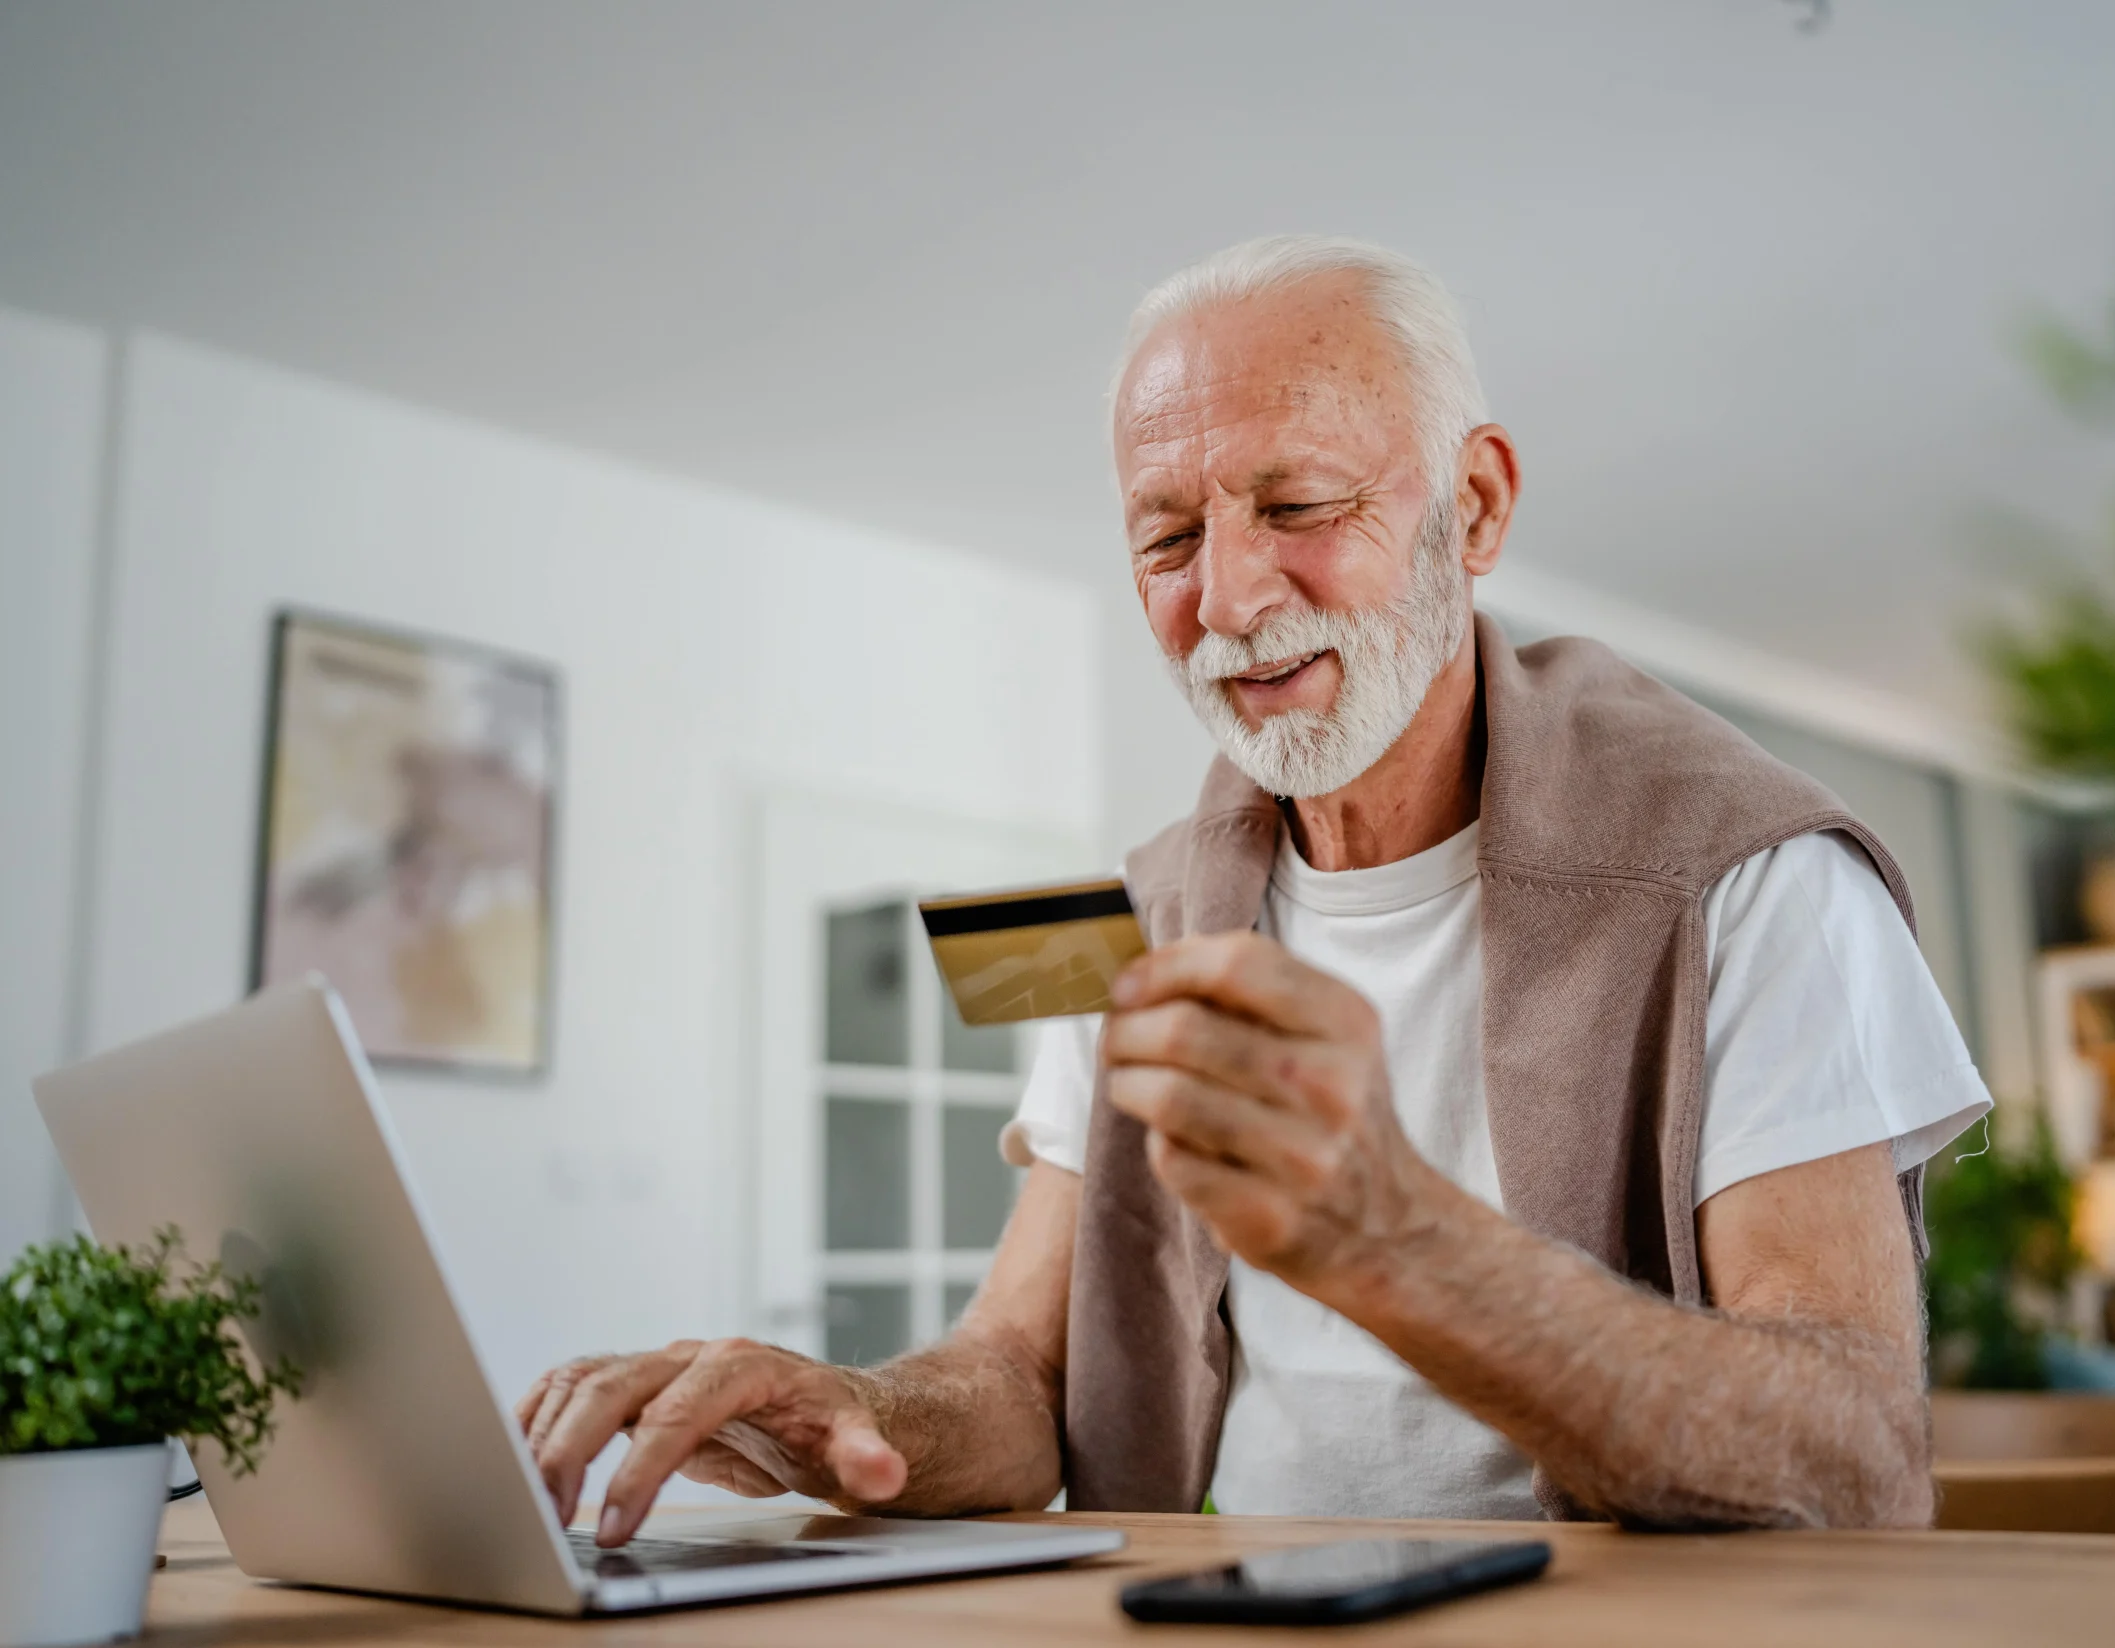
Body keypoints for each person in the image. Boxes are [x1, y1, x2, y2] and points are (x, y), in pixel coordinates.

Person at [520, 237, 1989, 1545]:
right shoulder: (1122, 913)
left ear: (1471, 509)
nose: (1226, 597)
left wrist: (1397, 1234)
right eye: (1167, 535)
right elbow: (1025, 1372)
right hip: (1249, 1635)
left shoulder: (1754, 871)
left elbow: (1858, 1454)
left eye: (1297, 502)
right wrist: (849, 1411)